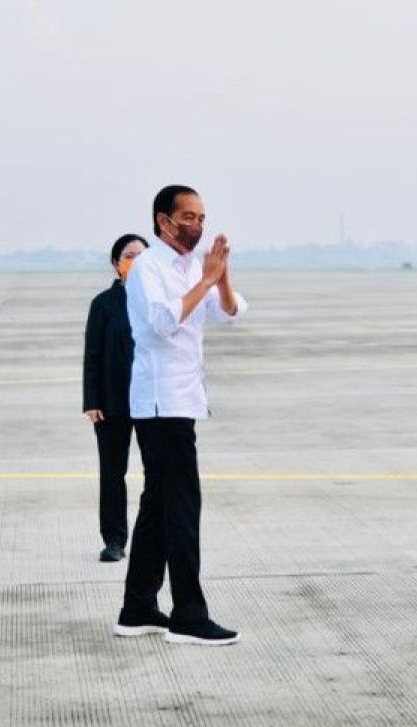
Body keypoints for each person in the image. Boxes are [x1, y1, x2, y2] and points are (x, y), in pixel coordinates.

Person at [113, 185, 247, 646]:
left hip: (184, 399)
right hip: (159, 403)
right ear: (163, 221)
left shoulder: (193, 267)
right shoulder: (148, 267)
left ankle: (137, 608)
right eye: (187, 216)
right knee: (181, 507)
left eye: (202, 216)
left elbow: (229, 314)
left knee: (158, 504)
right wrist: (206, 280)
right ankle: (189, 613)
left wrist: (220, 275)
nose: (197, 224)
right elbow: (162, 322)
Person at [83, 233, 147, 562]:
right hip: (111, 402)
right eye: (128, 255)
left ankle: (154, 538)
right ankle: (114, 539)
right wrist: (91, 401)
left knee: (159, 474)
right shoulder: (103, 304)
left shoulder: (158, 299)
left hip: (151, 401)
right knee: (112, 473)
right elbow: (92, 355)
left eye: (141, 255)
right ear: (116, 262)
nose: (134, 261)